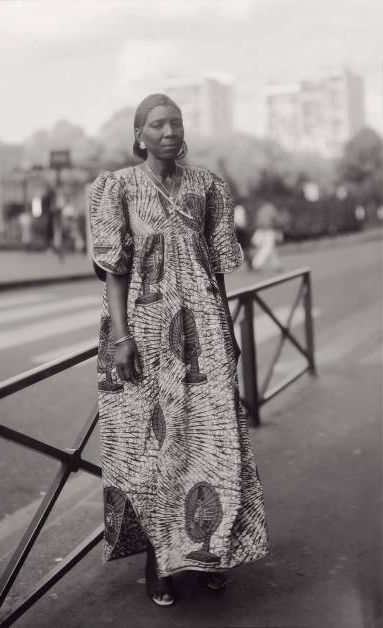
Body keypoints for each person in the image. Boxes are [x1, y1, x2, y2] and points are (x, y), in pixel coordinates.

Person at [88, 93, 269, 608]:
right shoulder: (118, 187)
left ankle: (212, 549)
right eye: (157, 125)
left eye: (176, 122)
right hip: (142, 334)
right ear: (139, 134)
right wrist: (120, 338)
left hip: (204, 331)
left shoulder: (209, 186)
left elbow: (215, 267)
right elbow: (115, 272)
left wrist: (227, 328)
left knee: (213, 441)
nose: (169, 131)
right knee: (151, 448)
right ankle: (159, 560)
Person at [250, 202, 283, 272]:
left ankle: (277, 266)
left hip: (260, 231)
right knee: (267, 249)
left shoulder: (261, 210)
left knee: (271, 250)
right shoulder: (271, 209)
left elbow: (257, 222)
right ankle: (256, 264)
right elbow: (277, 220)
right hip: (268, 232)